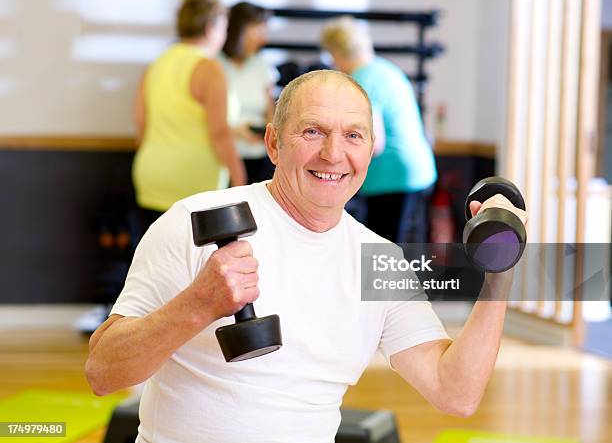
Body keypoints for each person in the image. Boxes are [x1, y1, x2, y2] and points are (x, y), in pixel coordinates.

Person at [86, 70, 527, 443]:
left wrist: (498, 278)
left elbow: (455, 393)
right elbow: (102, 372)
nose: (333, 154)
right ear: (274, 144)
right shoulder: (194, 221)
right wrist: (197, 305)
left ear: (370, 150)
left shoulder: (378, 261)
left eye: (353, 136)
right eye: (313, 131)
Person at [132, 0, 246, 229]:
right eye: (223, 28)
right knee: (196, 264)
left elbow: (141, 124)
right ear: (209, 28)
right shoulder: (208, 67)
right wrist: (240, 184)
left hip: (150, 173)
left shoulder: (157, 64)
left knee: (157, 261)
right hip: (194, 180)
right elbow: (219, 133)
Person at [321, 17, 437, 243]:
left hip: (392, 177)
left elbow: (375, 143)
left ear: (337, 53)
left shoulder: (362, 80)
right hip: (417, 171)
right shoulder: (385, 69)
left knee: (382, 255)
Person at [219, 1, 279, 184]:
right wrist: (235, 131)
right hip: (222, 156)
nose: (264, 38)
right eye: (259, 30)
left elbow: (270, 110)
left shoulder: (261, 65)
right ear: (240, 30)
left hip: (258, 156)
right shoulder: (213, 65)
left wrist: (269, 133)